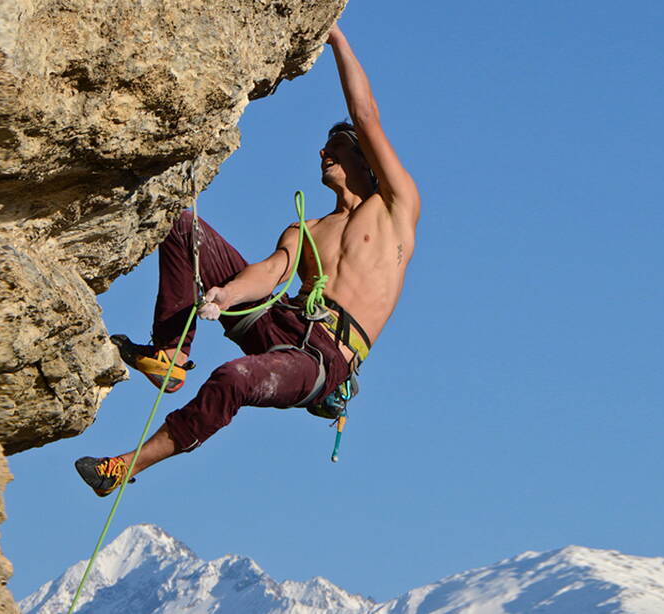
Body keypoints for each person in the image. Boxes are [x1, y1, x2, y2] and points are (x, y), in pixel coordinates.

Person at [75, 24, 420, 497]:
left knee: (233, 378)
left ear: (364, 160)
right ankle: (170, 353)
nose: (322, 154)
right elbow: (274, 270)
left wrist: (336, 39)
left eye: (335, 149)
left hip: (320, 355)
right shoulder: (307, 229)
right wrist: (226, 294)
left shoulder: (395, 209)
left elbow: (366, 115)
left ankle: (125, 466)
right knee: (180, 222)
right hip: (281, 319)